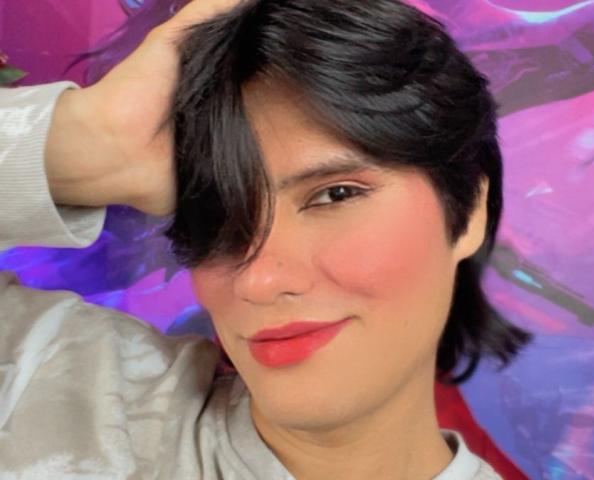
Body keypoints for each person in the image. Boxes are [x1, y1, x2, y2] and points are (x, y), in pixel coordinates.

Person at [0, 0, 532, 478]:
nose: (259, 279)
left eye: (335, 195)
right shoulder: (53, 390)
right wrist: (85, 145)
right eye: (218, 213)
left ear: (469, 209)